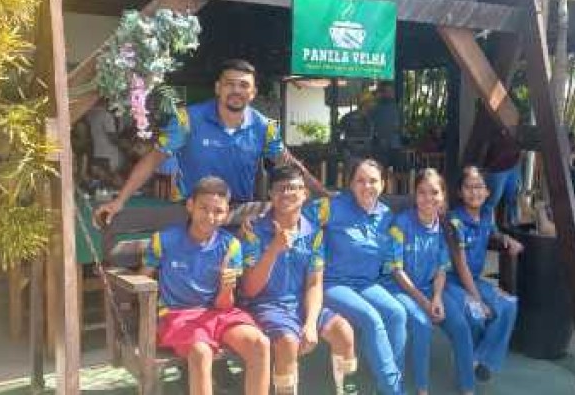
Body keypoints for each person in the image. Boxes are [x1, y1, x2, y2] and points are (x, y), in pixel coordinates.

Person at [95, 58, 325, 225]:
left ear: (253, 92)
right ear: (218, 88)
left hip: (239, 217)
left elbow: (288, 163)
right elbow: (153, 159)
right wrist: (119, 201)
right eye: (229, 84)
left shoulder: (265, 127)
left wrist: (323, 194)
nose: (236, 90)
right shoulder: (187, 119)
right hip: (194, 217)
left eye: (244, 85)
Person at [141, 176, 270, 395]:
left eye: (218, 211)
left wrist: (226, 287)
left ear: (226, 213)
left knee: (260, 344)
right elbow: (143, 277)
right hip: (178, 314)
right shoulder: (163, 240)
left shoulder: (231, 246)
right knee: (201, 351)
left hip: (218, 314)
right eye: (204, 208)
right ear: (190, 205)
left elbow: (224, 305)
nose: (210, 217)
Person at [239, 165, 359, 395]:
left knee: (344, 331)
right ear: (271, 194)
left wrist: (311, 324)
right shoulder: (254, 231)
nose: (287, 193)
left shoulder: (313, 232)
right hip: (265, 305)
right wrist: (274, 249)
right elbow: (250, 289)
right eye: (280, 188)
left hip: (300, 305)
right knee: (288, 342)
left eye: (293, 188)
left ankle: (344, 390)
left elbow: (314, 283)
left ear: (305, 194)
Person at [304, 159, 406, 395]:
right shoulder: (331, 207)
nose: (367, 186)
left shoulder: (386, 215)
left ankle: (389, 381)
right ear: (350, 184)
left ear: (383, 184)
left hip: (367, 284)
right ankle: (393, 389)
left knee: (397, 313)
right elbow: (297, 217)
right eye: (360, 181)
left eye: (373, 181)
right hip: (334, 283)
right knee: (371, 318)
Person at [385, 169, 476, 395]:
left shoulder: (444, 227)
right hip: (400, 289)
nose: (428, 198)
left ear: (443, 196)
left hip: (430, 288)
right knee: (422, 324)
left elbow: (441, 269)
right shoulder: (400, 223)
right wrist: (424, 303)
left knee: (460, 326)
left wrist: (436, 298)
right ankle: (422, 389)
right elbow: (396, 270)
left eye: (434, 192)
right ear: (415, 195)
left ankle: (468, 388)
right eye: (422, 192)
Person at [446, 166, 523, 383]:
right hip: (451, 282)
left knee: (509, 304)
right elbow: (461, 266)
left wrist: (505, 239)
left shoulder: (487, 214)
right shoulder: (454, 221)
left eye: (479, 187)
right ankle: (471, 359)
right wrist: (478, 300)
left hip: (474, 281)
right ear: (460, 192)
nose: (474, 192)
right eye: (468, 187)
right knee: (476, 313)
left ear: (488, 191)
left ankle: (478, 358)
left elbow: (492, 232)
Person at [479, 126, 523, 229]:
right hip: (496, 169)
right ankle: (488, 230)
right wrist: (483, 167)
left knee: (513, 198)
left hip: (513, 165)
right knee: (491, 201)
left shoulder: (514, 124)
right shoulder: (491, 125)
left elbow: (519, 140)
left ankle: (514, 226)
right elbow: (483, 144)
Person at [337, 92, 376, 170]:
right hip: (354, 155)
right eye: (371, 102)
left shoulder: (347, 117)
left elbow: (338, 134)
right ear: (365, 103)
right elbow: (338, 134)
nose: (373, 104)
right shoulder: (370, 118)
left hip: (361, 154)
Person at [369, 83, 402, 169]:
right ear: (382, 93)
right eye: (387, 91)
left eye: (391, 91)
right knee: (380, 169)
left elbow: (399, 125)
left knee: (398, 171)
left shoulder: (397, 107)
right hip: (381, 145)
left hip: (394, 144)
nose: (390, 93)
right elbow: (372, 126)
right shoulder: (375, 108)